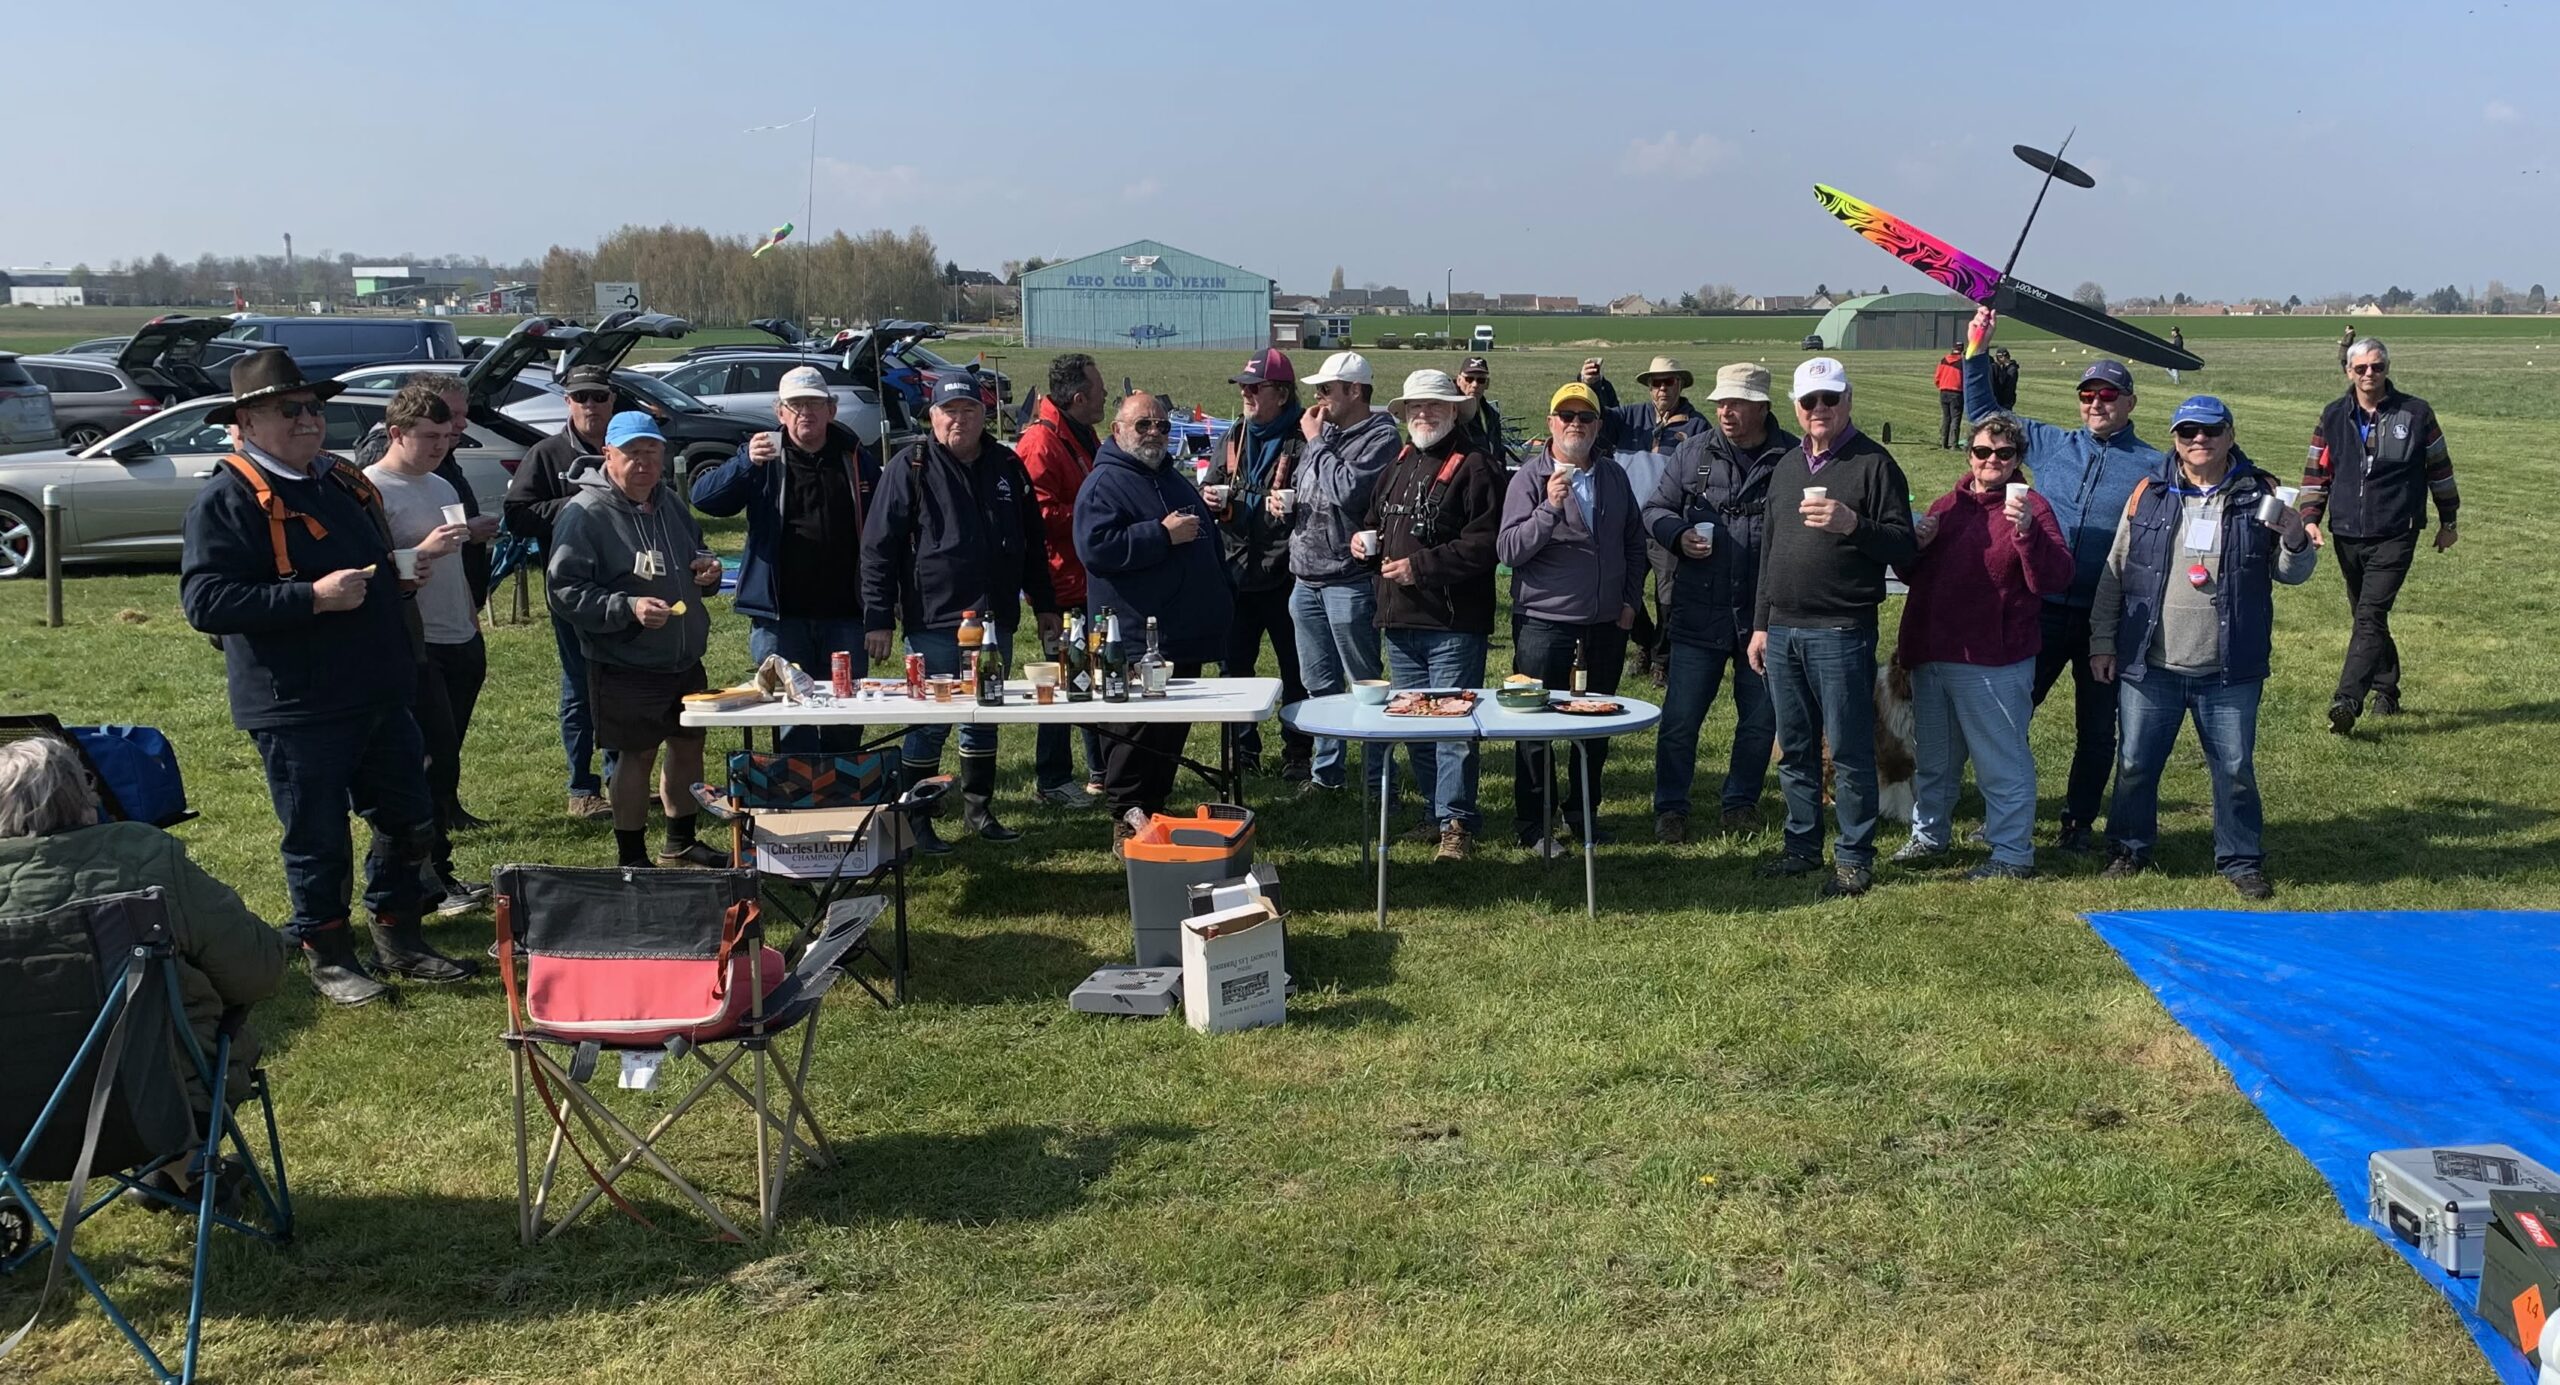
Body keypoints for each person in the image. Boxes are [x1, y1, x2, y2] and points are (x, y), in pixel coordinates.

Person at [179, 351, 472, 1005]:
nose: (309, 418)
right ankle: (330, 956)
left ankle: (400, 936)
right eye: (290, 409)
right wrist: (310, 597)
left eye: (314, 406)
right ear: (246, 422)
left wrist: (398, 573)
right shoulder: (228, 497)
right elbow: (205, 602)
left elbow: (367, 566)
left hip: (377, 687)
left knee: (410, 817)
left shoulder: (339, 480)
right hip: (297, 701)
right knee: (318, 838)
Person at [2090, 397, 2318, 899]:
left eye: (2210, 431)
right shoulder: (2148, 493)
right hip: (2151, 664)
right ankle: (2128, 849)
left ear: (2230, 435)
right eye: (2187, 431)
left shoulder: (2261, 493)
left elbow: (2291, 574)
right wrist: (2102, 641)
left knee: (2235, 769)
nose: (2199, 439)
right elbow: (2115, 572)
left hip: (2229, 667)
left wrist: (2295, 538)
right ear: (2174, 439)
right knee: (2134, 763)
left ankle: (2241, 860)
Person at [1962, 306, 2166, 853]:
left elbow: (2206, 464)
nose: (2096, 403)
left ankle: (2077, 822)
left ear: (2130, 403)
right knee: (2012, 714)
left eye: (2108, 395)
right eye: (2088, 395)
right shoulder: (2053, 444)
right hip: (2041, 607)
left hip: (2108, 618)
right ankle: (2004, 816)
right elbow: (1983, 413)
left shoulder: (2155, 464)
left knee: (2097, 730)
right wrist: (1977, 347)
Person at [0, 737, 288, 1114]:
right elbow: (258, 970)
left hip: (13, 1120)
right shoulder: (145, 857)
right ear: (83, 794)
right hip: (161, 1104)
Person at [861, 376, 1062, 852]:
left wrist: (1045, 604)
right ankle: (917, 819)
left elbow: (1033, 543)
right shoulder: (910, 465)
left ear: (983, 416)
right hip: (933, 618)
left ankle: (979, 810)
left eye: (969, 410)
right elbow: (878, 547)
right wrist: (877, 616)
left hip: (994, 620)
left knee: (984, 714)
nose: (959, 420)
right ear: (932, 417)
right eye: (949, 411)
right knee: (930, 721)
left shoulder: (1007, 465)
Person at [1747, 358, 1917, 898]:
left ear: (1847, 401)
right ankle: (1801, 846)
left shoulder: (1875, 464)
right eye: (1809, 401)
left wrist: (1854, 524)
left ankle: (1853, 857)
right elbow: (1769, 551)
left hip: (1841, 628)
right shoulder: (1786, 467)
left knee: (1848, 749)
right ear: (1796, 407)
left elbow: (1905, 547)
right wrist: (1761, 625)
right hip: (1783, 629)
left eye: (1830, 398)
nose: (1820, 409)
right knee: (1796, 747)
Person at [1888, 413, 2073, 880]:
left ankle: (2011, 853)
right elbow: (1911, 574)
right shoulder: (1947, 504)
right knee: (1935, 759)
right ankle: (1929, 835)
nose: (1992, 460)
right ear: (1969, 454)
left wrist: (2027, 532)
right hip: (1934, 653)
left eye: (2004, 453)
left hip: (1994, 659)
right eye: (1982, 451)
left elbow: (2055, 578)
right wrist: (1915, 545)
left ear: (2018, 459)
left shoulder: (2032, 508)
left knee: (2000, 761)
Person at [546, 411, 726, 870]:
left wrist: (707, 570)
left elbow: (696, 552)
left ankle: (680, 844)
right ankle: (632, 859)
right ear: (608, 454)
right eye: (632, 453)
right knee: (637, 754)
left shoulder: (670, 504)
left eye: (652, 451)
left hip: (683, 656)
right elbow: (564, 590)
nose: (643, 462)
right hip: (626, 659)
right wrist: (627, 607)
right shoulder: (585, 513)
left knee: (688, 746)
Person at [688, 365, 880, 753]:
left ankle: (844, 783)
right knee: (792, 720)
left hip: (846, 614)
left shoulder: (856, 456)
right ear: (780, 412)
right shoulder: (762, 455)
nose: (804, 412)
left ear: (831, 410)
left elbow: (884, 526)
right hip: (780, 617)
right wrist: (745, 463)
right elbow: (704, 499)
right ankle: (798, 788)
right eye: (795, 405)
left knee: (846, 716)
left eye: (813, 404)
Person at [1074, 392, 1234, 850]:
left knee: (1166, 733)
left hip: (1179, 634)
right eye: (1142, 425)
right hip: (1134, 637)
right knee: (1134, 733)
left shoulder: (1168, 476)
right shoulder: (1105, 483)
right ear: (1117, 430)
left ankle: (1153, 810)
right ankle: (1126, 817)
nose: (1154, 434)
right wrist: (1160, 535)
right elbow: (1095, 547)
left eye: (1162, 426)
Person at [1643, 363, 1795, 842]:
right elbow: (1655, 509)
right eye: (1721, 403)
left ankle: (1740, 804)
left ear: (1762, 407)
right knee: (1680, 720)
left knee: (1759, 720)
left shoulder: (1791, 459)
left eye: (1736, 403)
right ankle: (1671, 808)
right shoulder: (1694, 452)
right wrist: (1678, 534)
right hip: (1698, 609)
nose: (1725, 412)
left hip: (1763, 613)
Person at [1362, 370, 1503, 861]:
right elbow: (1374, 521)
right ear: (1404, 414)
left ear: (1454, 412)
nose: (1423, 414)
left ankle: (1457, 823)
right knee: (1417, 728)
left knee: (1453, 728)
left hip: (1452, 625)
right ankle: (1433, 811)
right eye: (1415, 407)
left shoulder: (1478, 467)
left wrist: (1419, 568)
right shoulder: (1398, 464)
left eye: (1434, 405)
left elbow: (1485, 545)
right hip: (1400, 621)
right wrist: (1364, 544)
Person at [1498, 382, 1644, 850]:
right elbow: (1509, 550)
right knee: (1535, 726)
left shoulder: (1613, 476)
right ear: (1550, 424)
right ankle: (1534, 824)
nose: (1575, 424)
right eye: (1566, 416)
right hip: (1543, 624)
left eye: (1585, 417)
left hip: (1605, 625)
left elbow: (1634, 542)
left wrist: (1629, 601)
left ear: (1598, 426)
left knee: (1596, 725)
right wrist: (1549, 508)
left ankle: (1583, 814)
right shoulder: (1528, 479)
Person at [355, 371, 502, 832]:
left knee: (450, 741)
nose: (440, 446)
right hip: (416, 637)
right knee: (429, 745)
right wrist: (424, 550)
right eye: (429, 437)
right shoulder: (370, 488)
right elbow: (366, 568)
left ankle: (444, 817)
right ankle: (427, 838)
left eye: (445, 436)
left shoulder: (442, 485)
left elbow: (455, 563)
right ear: (396, 433)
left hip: (460, 630)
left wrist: (472, 620)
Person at [2302, 337, 2460, 735]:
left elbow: (2440, 468)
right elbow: (2317, 472)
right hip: (2347, 532)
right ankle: (2387, 690)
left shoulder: (2416, 413)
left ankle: (2347, 700)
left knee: (2370, 615)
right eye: (2361, 368)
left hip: (2396, 530)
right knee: (2366, 615)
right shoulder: (2333, 415)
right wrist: (2310, 517)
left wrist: (2449, 522)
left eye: (2377, 366)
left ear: (2387, 368)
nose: (2369, 374)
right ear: (2348, 372)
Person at [504, 361, 621, 820]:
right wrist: (579, 503)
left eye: (599, 397)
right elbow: (517, 515)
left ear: (612, 400)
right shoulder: (547, 453)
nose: (591, 405)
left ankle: (620, 780)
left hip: (628, 584)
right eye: (582, 397)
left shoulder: (627, 446)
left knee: (622, 681)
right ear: (568, 402)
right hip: (574, 587)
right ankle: (581, 787)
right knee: (580, 684)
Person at [1288, 350, 1399, 797]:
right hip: (1306, 576)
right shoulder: (1327, 433)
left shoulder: (1380, 438)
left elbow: (1349, 491)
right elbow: (1309, 484)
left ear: (1355, 391)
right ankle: (1326, 774)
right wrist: (1285, 503)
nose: (1318, 397)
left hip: (1347, 579)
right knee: (1318, 685)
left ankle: (1378, 781)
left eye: (1326, 389)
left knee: (1364, 685)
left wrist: (1316, 443)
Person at [1212, 348, 1314, 781]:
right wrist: (1210, 495)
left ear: (1283, 393)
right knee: (1234, 669)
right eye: (1243, 387)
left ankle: (1298, 751)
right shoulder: (1235, 435)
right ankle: (1242, 751)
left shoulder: (1305, 438)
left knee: (1297, 669)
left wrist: (1295, 507)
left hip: (1287, 573)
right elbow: (1213, 480)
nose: (1246, 394)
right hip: (1236, 571)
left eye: (1256, 388)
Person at [1016, 351, 1109, 806]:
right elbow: (1035, 515)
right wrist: (1095, 514)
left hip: (1085, 578)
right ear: (1078, 398)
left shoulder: (1078, 432)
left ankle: (1099, 771)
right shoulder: (1041, 442)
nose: (1106, 395)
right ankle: (1051, 779)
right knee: (1058, 681)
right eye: (1099, 389)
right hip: (1061, 583)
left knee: (1093, 674)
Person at [1605, 356, 1713, 679]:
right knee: (1623, 591)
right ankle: (1644, 642)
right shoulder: (1629, 416)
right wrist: (1592, 383)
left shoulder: (1697, 426)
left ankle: (1661, 660)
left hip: (1667, 525)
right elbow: (1598, 415)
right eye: (1656, 383)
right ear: (1649, 387)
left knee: (1668, 597)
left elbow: (1705, 475)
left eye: (1669, 382)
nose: (1662, 388)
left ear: (1680, 384)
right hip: (1627, 525)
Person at [1455, 356, 1512, 466]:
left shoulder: (1492, 415)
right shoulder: (1450, 412)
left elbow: (1498, 451)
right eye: (1469, 379)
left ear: (1487, 384)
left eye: (1481, 380)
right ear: (1458, 380)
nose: (1475, 385)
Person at [1933, 346, 1966, 448]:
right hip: (1956, 392)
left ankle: (1943, 442)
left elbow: (1937, 377)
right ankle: (1953, 444)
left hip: (1943, 391)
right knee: (1955, 418)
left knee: (1946, 417)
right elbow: (1966, 379)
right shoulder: (1963, 363)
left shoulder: (1943, 360)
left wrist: (1941, 386)